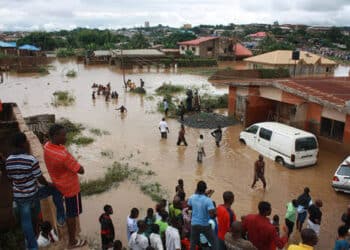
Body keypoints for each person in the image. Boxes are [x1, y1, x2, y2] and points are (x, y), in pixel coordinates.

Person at [6, 132, 65, 250]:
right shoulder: (30, 159)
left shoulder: (9, 160)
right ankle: (60, 217)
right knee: (56, 189)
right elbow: (40, 178)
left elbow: (10, 178)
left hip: (19, 197)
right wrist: (49, 184)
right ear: (23, 143)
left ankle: (32, 247)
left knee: (26, 222)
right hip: (33, 194)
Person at [44, 124, 87, 248]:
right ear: (55, 136)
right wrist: (74, 160)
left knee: (65, 209)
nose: (66, 137)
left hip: (58, 183)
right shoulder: (63, 155)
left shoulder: (47, 146)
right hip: (70, 188)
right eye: (63, 135)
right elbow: (81, 170)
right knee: (72, 214)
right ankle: (72, 241)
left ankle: (63, 225)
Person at [188, 180, 216, 250]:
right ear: (205, 189)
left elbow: (190, 207)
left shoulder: (192, 197)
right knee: (215, 243)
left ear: (197, 188)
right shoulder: (208, 200)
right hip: (204, 225)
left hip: (194, 224)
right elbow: (212, 215)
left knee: (192, 244)